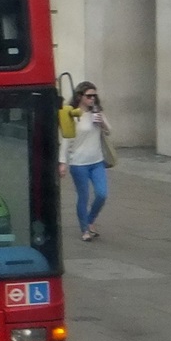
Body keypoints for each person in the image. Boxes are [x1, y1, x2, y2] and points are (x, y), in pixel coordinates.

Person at [59, 80, 112, 242]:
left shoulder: (97, 113)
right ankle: (85, 229)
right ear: (80, 96)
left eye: (94, 96)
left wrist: (100, 121)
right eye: (89, 96)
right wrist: (62, 162)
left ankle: (90, 220)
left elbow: (109, 131)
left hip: (97, 161)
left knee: (102, 194)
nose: (92, 99)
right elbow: (66, 140)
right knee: (83, 196)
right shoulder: (72, 115)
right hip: (79, 162)